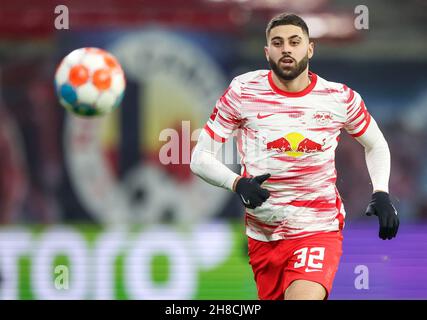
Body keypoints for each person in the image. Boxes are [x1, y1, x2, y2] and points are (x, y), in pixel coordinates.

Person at [190, 13, 399, 300]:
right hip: (263, 236)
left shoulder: (339, 98)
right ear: (267, 52)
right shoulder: (242, 92)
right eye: (277, 43)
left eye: (294, 41)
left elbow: (375, 144)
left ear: (310, 48)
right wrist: (237, 183)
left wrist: (381, 192)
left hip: (318, 229)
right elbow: (200, 157)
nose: (286, 48)